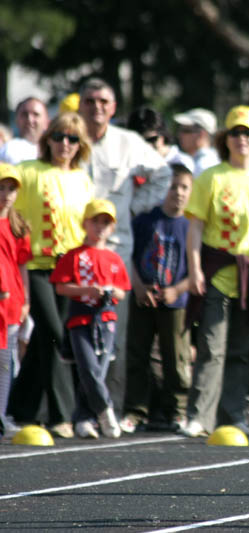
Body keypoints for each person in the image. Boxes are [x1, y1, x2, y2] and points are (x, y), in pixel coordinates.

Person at [180, 105, 249, 438]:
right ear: (225, 139)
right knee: (211, 347)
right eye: (236, 133)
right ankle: (199, 416)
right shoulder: (211, 177)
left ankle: (233, 416)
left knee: (241, 351)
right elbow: (196, 228)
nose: (242, 139)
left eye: (248, 133)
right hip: (218, 272)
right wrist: (196, 269)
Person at [78, 77, 172, 413]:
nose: (97, 107)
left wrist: (133, 206)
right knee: (72, 334)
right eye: (90, 101)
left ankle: (110, 410)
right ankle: (65, 412)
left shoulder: (128, 142)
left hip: (116, 248)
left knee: (112, 334)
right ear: (80, 105)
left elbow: (163, 174)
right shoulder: (67, 138)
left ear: (113, 107)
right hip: (73, 248)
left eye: (103, 101)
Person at [7, 112, 94, 438]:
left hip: (71, 268)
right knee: (58, 335)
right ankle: (62, 415)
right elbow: (8, 199)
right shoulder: (29, 172)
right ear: (48, 140)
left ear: (80, 144)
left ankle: (20, 407)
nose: (65, 144)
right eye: (59, 136)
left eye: (73, 138)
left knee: (47, 339)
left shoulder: (83, 179)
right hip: (37, 266)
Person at [119, 165, 194, 433]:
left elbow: (198, 270)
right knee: (138, 354)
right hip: (143, 297)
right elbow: (129, 255)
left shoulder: (191, 226)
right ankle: (136, 411)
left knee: (176, 357)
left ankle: (177, 411)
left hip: (175, 302)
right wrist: (137, 286)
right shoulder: (145, 221)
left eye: (185, 187)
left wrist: (178, 290)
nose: (178, 192)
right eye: (173, 186)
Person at [50, 199, 131, 439]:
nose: (100, 227)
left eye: (106, 223)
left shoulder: (115, 259)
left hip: (106, 322)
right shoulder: (75, 256)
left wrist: (107, 290)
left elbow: (122, 292)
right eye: (95, 221)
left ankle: (84, 418)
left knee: (98, 371)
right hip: (80, 321)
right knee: (88, 368)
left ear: (112, 228)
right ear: (85, 223)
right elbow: (61, 288)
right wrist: (87, 290)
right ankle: (106, 411)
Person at [0, 164, 31, 438]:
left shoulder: (17, 225)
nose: (7, 194)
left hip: (11, 305)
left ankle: (1, 414)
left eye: (11, 189)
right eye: (2, 188)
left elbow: (22, 267)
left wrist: (26, 301)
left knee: (6, 361)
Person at [127, 107, 195, 172]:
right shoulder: (131, 162)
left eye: (151, 139)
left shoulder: (182, 162)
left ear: (163, 135)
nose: (148, 145)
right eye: (141, 142)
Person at [0, 97, 50, 164]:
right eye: (24, 114)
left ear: (47, 122)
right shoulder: (7, 149)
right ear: (16, 120)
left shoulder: (55, 150)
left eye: (36, 114)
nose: (29, 119)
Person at [173, 108, 220, 175]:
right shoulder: (195, 160)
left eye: (185, 131)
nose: (179, 135)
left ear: (202, 134)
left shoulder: (204, 165)